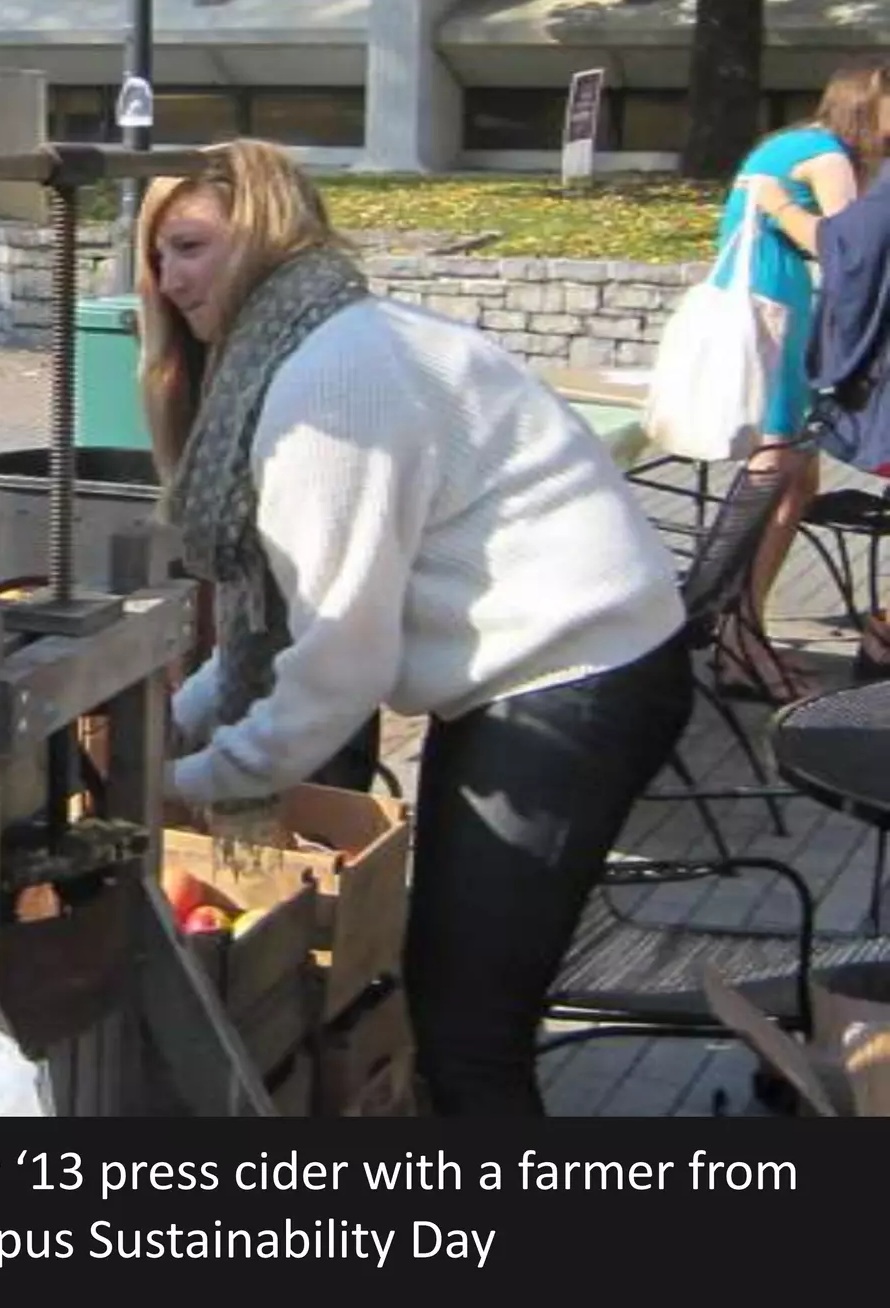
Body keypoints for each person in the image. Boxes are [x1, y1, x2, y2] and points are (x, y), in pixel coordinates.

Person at [140, 140, 692, 1117]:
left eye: (190, 246)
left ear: (265, 232)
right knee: (454, 1005)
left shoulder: (328, 377)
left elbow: (339, 661)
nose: (169, 280)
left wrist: (182, 782)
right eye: (157, 256)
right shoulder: (325, 335)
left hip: (572, 674)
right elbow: (283, 622)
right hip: (561, 665)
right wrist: (171, 723)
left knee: (466, 1035)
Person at [716, 60, 890, 695]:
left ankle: (743, 634)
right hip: (781, 314)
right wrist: (785, 206)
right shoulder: (829, 158)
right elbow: (846, 249)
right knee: (779, 475)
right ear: (868, 103)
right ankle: (738, 639)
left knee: (791, 476)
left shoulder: (790, 143)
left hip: (764, 306)